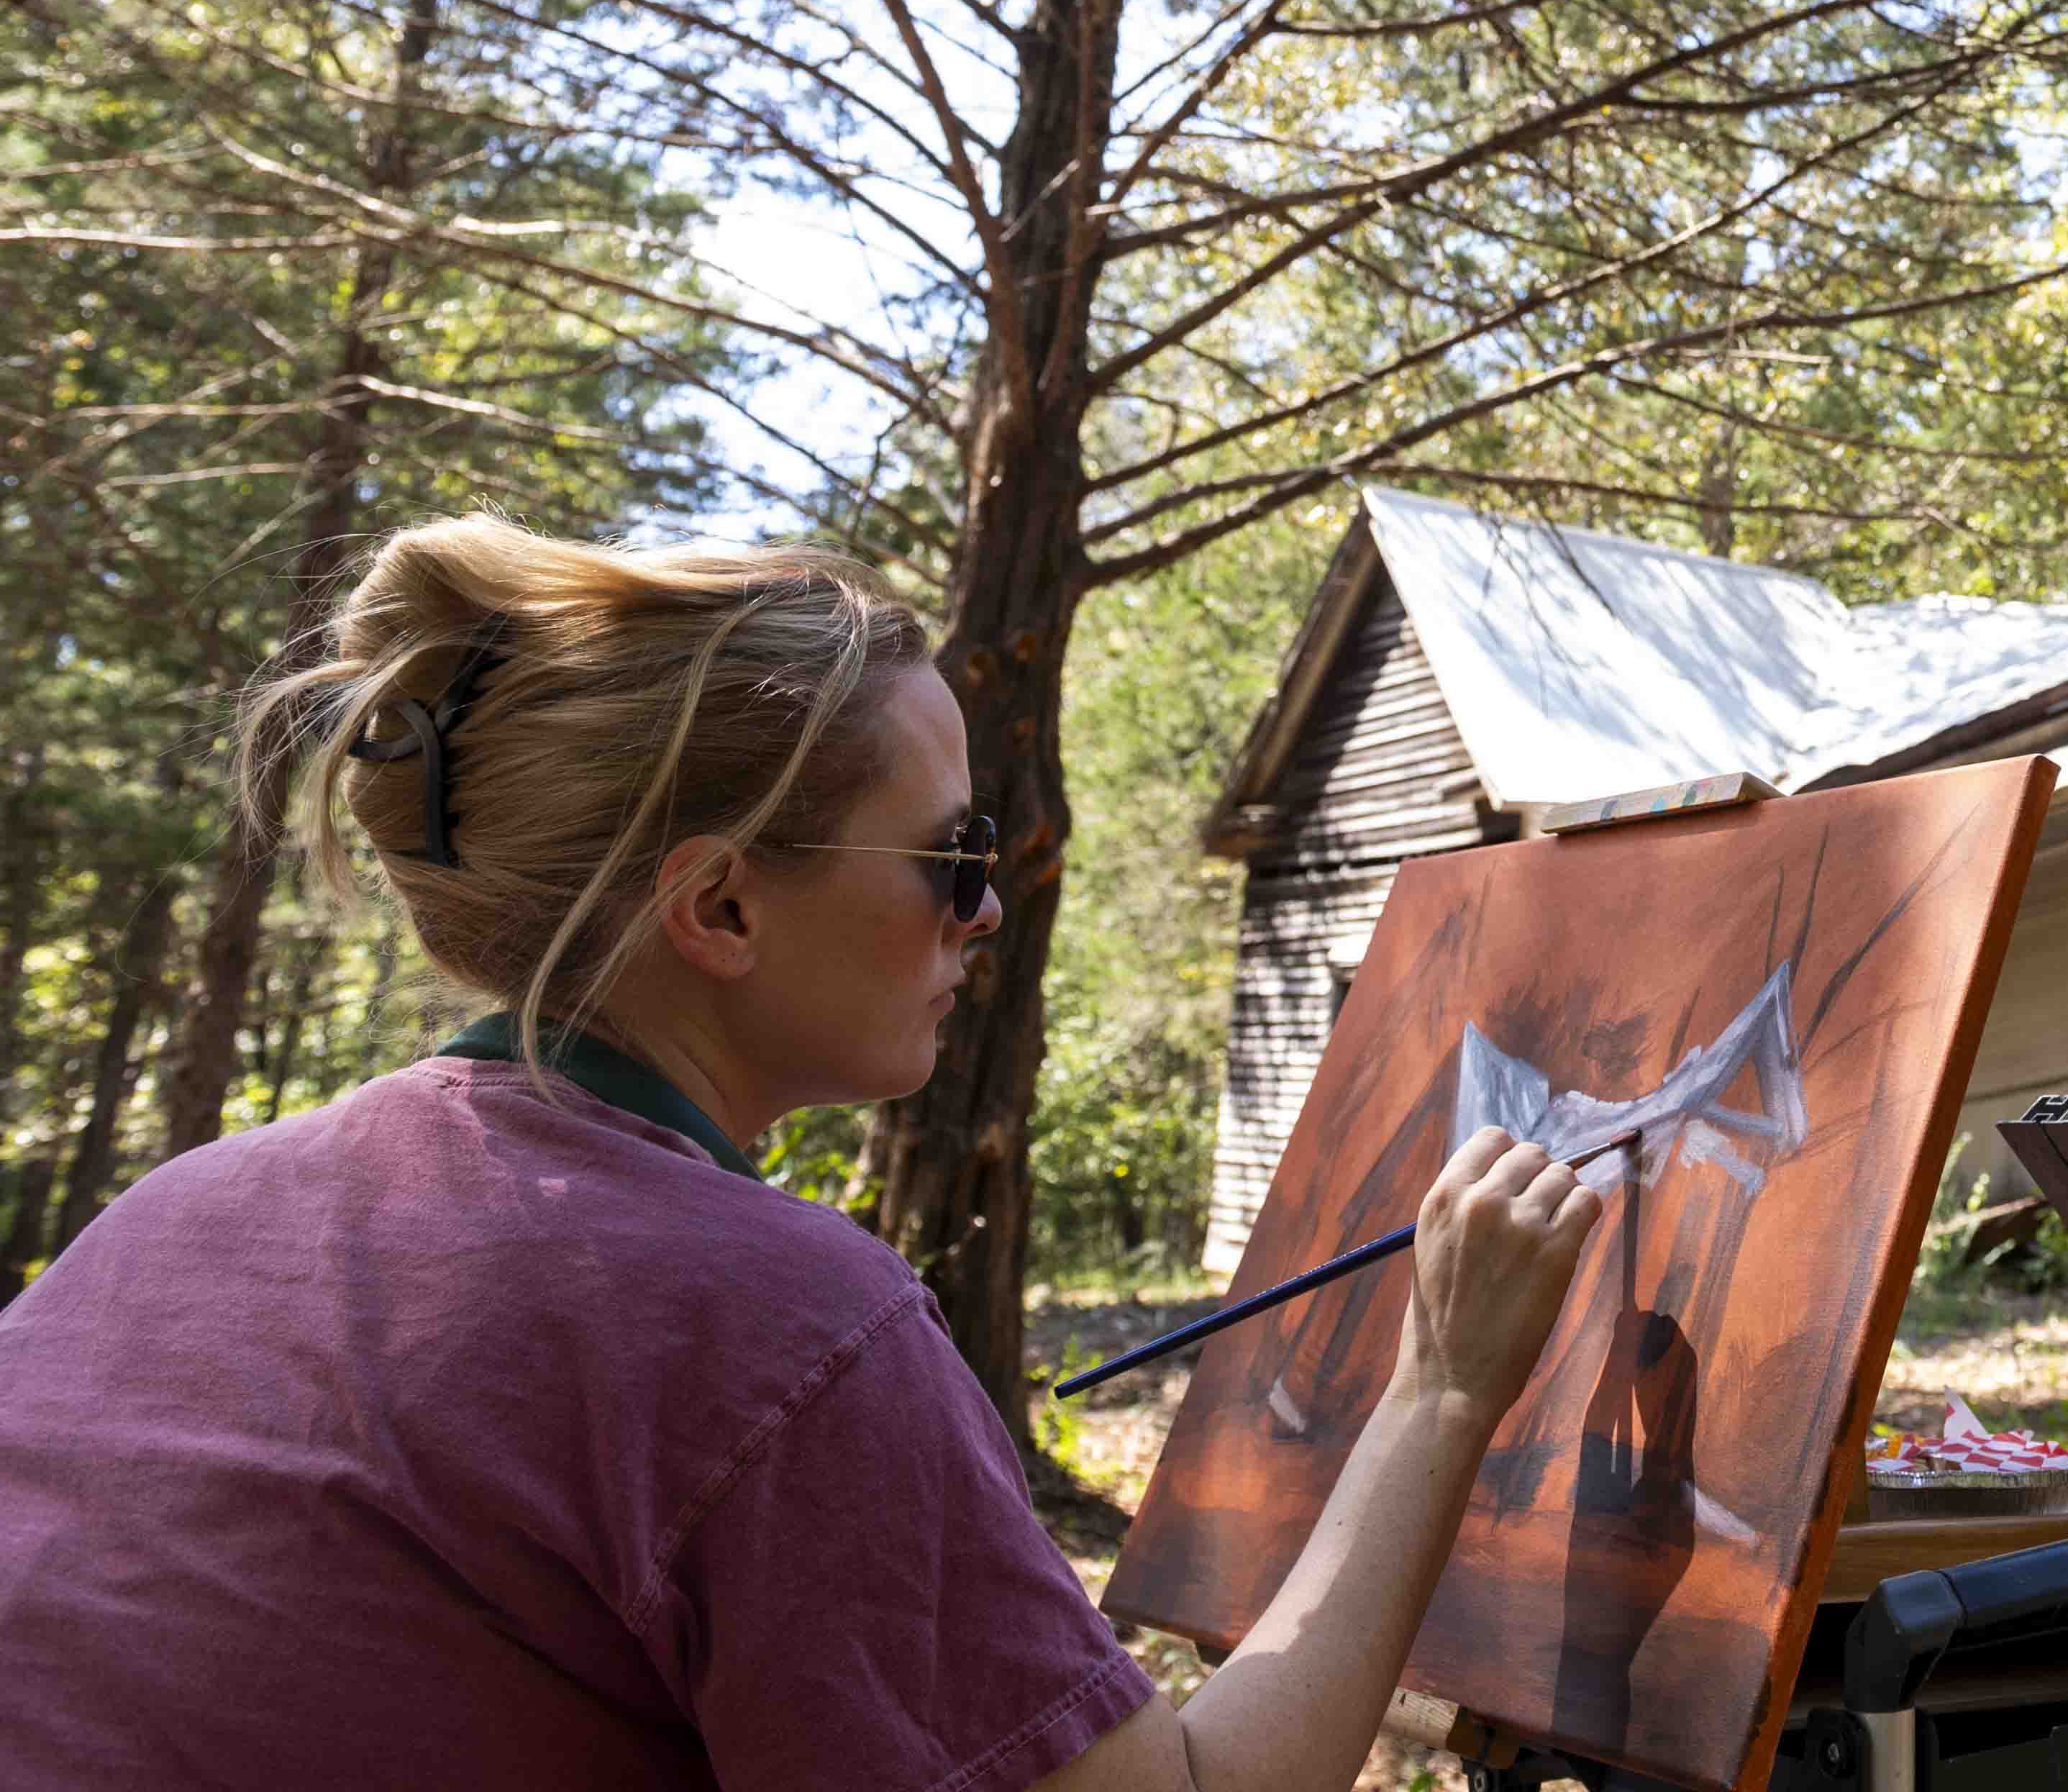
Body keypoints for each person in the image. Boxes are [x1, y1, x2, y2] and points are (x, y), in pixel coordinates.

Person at [0, 518, 1602, 1791]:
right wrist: (1444, 1383)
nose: (986, 911)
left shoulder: (170, 1210)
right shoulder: (765, 1321)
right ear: (719, 906)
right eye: (954, 853)